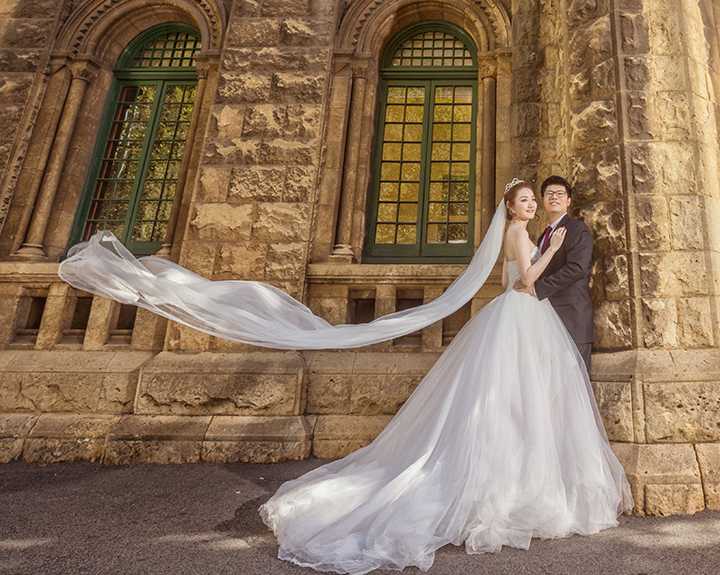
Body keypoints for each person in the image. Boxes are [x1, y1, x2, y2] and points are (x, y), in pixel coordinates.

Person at [58, 179, 631, 574]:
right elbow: (526, 281)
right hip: (521, 315)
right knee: (502, 405)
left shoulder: (541, 230)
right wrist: (549, 247)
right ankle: (505, 492)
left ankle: (527, 484)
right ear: (511, 210)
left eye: (537, 201)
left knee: (517, 407)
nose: (533, 206)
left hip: (526, 325)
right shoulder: (524, 235)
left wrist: (551, 245)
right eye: (526, 201)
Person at [517, 176, 596, 375]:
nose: (555, 197)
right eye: (549, 194)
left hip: (573, 320)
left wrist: (535, 289)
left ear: (568, 200)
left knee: (574, 386)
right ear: (543, 200)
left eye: (560, 194)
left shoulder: (578, 229)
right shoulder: (544, 236)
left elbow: (576, 269)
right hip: (549, 321)